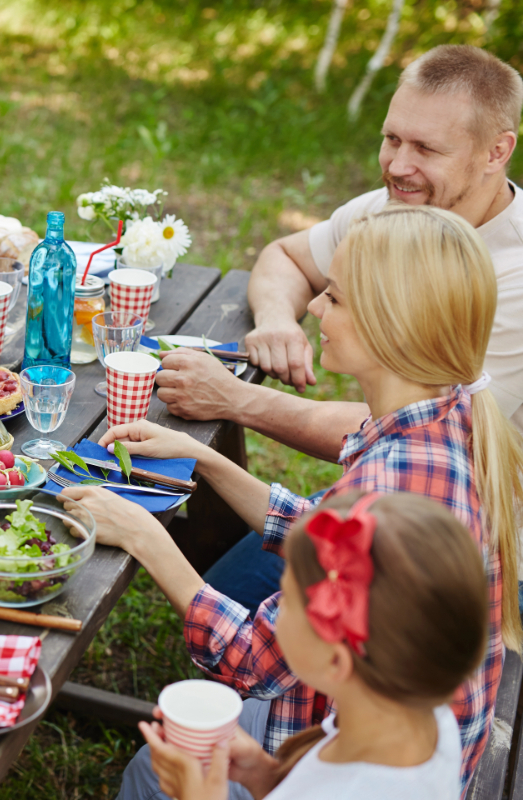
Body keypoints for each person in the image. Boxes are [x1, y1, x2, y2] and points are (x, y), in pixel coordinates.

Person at [61, 205, 523, 796]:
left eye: (334, 297)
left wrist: (147, 537)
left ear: (391, 325)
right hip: (373, 733)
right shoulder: (438, 414)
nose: (312, 307)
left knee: (151, 774)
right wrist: (202, 457)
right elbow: (328, 532)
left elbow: (253, 661)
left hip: (366, 753)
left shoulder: (394, 482)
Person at [153, 45, 523, 612]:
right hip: (382, 487)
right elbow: (288, 256)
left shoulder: (513, 277)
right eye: (392, 138)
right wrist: (278, 320)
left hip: (475, 543)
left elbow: (433, 437)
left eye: (426, 147)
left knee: (245, 619)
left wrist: (236, 398)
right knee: (227, 586)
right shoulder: (397, 209)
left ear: (498, 151)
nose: (398, 165)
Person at [139, 492, 486, 800]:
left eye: (286, 598)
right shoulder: (422, 717)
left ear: (336, 662)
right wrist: (264, 775)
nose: (271, 605)